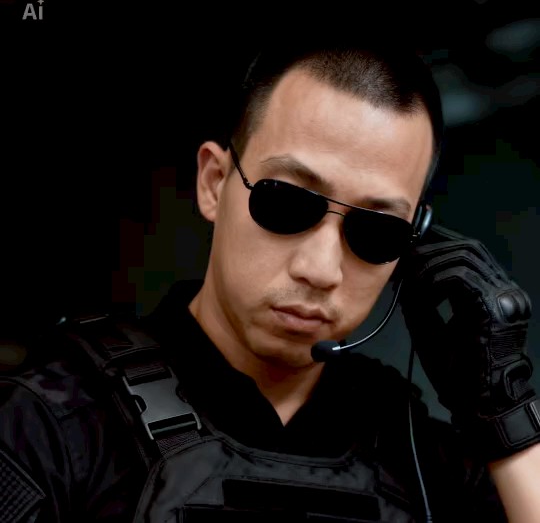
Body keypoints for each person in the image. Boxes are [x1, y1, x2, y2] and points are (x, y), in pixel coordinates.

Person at [1, 32, 539, 523]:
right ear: (214, 183)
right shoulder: (50, 422)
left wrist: (504, 414)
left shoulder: (426, 458)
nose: (320, 269)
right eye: (287, 203)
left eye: (377, 231)